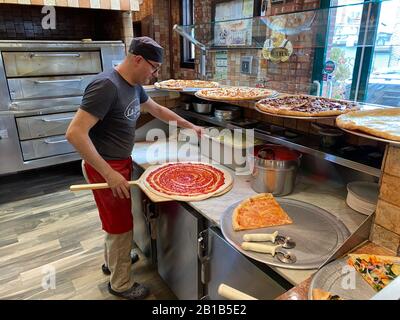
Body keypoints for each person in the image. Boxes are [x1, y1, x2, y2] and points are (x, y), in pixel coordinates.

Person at [66, 37, 203, 300]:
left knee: (116, 222)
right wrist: (108, 173)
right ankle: (121, 284)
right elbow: (75, 133)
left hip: (119, 162)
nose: (155, 73)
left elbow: (158, 110)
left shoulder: (133, 85)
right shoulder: (106, 85)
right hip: (104, 167)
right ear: (137, 59)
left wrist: (191, 126)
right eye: (154, 67)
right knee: (120, 225)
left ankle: (113, 260)